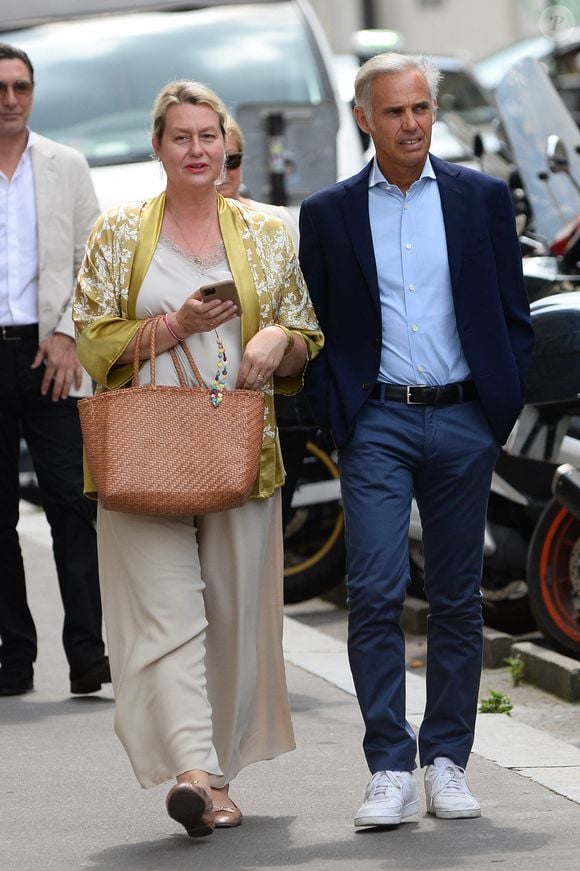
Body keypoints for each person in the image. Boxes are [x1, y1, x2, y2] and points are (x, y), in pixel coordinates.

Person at [73, 80, 323, 838]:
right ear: (158, 147)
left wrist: (280, 340)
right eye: (180, 137)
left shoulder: (270, 232)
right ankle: (192, 775)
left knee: (231, 613)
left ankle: (219, 774)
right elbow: (91, 337)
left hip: (241, 449)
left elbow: (305, 330)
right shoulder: (117, 232)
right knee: (163, 616)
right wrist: (175, 323)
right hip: (143, 447)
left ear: (225, 145)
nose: (196, 150)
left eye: (208, 136)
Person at [298, 53, 534, 826]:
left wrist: (496, 411)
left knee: (459, 598)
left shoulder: (481, 199)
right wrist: (345, 413)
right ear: (365, 117)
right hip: (379, 423)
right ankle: (389, 765)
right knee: (372, 591)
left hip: (465, 419)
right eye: (394, 112)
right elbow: (322, 324)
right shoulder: (329, 213)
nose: (411, 124)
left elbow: (511, 312)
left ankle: (446, 761)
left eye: (421, 110)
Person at [0, 43, 110, 697]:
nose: (10, 98)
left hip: (51, 353)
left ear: (33, 93)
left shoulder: (65, 165)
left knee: (73, 501)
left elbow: (92, 261)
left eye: (20, 87)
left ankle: (88, 654)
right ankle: (13, 658)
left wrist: (70, 333)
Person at [218, 116, 313, 528]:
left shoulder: (276, 223)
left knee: (266, 534)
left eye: (232, 160)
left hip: (273, 403)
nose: (222, 171)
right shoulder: (155, 226)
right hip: (196, 402)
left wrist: (278, 335)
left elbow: (305, 312)